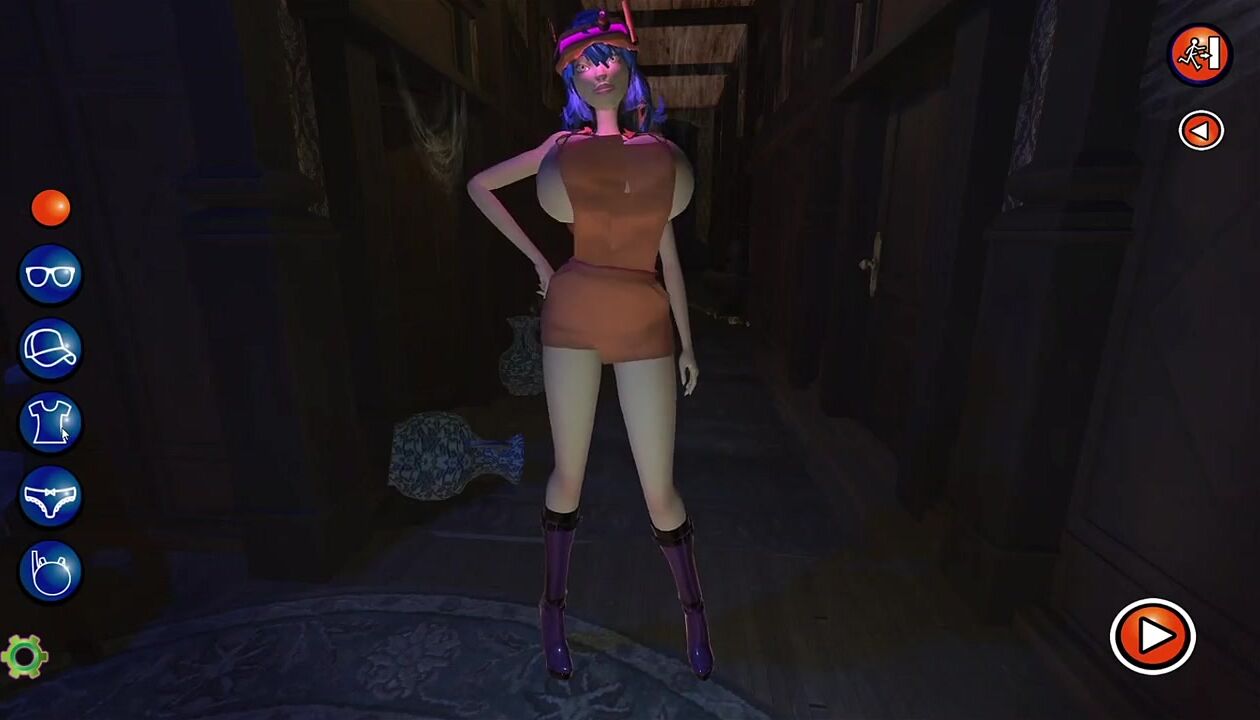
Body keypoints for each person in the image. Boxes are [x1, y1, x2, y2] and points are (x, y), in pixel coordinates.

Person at [466, 4, 713, 681]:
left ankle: (694, 611)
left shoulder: (658, 155)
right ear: (571, 77)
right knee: (567, 474)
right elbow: (481, 185)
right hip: (574, 313)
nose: (599, 71)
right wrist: (539, 263)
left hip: (643, 318)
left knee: (659, 487)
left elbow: (667, 256)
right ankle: (552, 610)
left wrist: (687, 343)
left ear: (629, 66)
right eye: (585, 63)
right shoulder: (561, 147)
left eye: (608, 58)